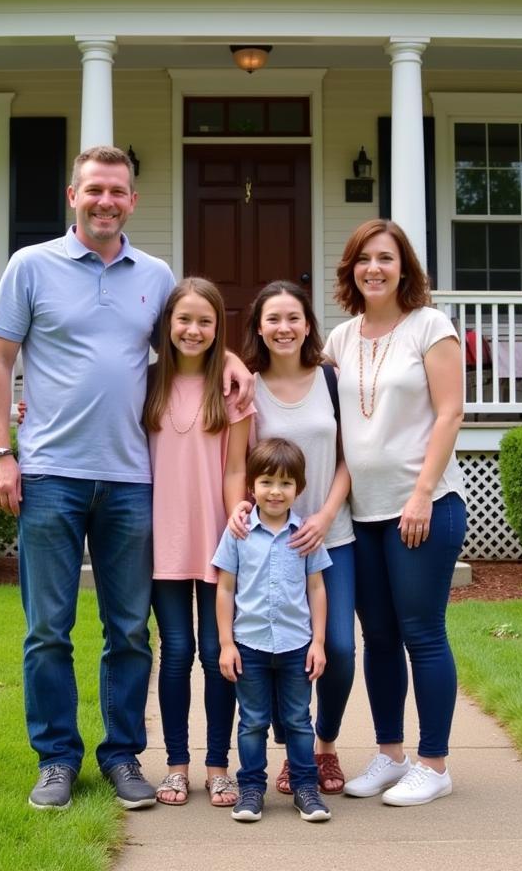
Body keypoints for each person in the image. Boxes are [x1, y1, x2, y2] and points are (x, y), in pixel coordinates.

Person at [0, 145, 252, 813]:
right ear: (73, 194)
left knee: (130, 630)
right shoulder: (31, 266)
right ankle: (57, 759)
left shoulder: (154, 275)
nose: (106, 201)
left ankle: (123, 753)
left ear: (132, 201)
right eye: (94, 189)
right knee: (48, 628)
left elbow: (194, 330)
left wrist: (233, 359)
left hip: (132, 480)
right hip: (49, 474)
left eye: (118, 191)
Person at [324, 218, 466, 807]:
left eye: (385, 258)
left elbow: (450, 413)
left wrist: (421, 493)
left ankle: (434, 764)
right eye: (363, 259)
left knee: (421, 633)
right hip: (364, 515)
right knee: (378, 637)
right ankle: (390, 754)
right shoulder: (339, 338)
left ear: (403, 267)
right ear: (350, 270)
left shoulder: (430, 327)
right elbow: (289, 381)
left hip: (423, 508)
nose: (373, 268)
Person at [231, 281, 354, 796]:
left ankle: (323, 746)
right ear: (259, 327)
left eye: (294, 318)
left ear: (308, 325)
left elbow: (350, 457)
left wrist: (325, 515)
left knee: (339, 649)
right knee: (274, 648)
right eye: (273, 319)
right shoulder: (247, 387)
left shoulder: (332, 380)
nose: (284, 328)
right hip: (268, 543)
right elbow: (238, 463)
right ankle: (293, 753)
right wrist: (238, 513)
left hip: (331, 536)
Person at [144, 277, 254, 807]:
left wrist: (237, 509)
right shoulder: (145, 384)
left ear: (219, 329)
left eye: (205, 322)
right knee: (175, 652)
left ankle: (217, 764)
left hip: (216, 540)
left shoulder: (231, 391)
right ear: (167, 325)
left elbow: (236, 467)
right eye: (183, 319)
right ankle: (176, 764)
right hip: (162, 539)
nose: (193, 330)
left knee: (216, 654)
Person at [213, 438, 333, 823]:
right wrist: (226, 644)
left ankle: (305, 788)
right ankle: (250, 789)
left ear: (298, 488)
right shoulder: (239, 532)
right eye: (266, 482)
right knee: (252, 722)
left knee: (299, 720)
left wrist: (318, 642)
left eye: (285, 483)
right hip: (249, 645)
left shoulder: (305, 535)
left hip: (297, 645)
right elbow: (225, 588)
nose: (276, 491)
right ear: (252, 485)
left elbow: (316, 587)